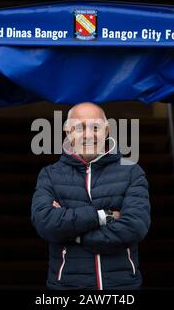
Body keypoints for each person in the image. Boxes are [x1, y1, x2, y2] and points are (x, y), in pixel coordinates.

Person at [31, 102, 150, 290]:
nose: (88, 135)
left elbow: (135, 226)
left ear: (107, 130)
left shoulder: (132, 171)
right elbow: (46, 223)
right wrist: (103, 216)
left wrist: (74, 235)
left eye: (96, 127)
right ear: (68, 131)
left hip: (122, 288)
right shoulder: (50, 175)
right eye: (79, 128)